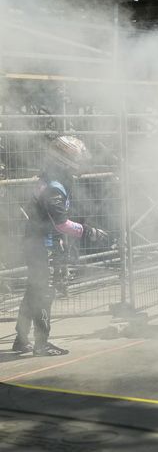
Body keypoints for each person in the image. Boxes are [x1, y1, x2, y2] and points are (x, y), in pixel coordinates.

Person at [13, 136, 109, 357]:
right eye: (77, 158)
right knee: (44, 293)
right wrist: (90, 232)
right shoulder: (55, 187)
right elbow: (61, 223)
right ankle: (41, 343)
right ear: (65, 161)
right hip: (41, 245)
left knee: (33, 291)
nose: (81, 163)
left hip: (38, 242)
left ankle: (21, 339)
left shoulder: (53, 180)